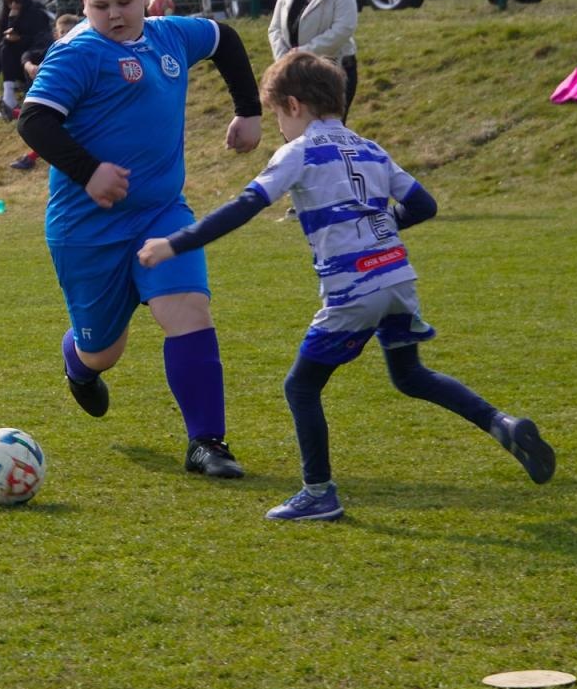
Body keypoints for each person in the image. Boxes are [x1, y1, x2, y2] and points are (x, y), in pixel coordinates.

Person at [138, 51, 555, 520]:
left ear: (293, 105)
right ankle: (503, 424)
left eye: (277, 116)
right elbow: (424, 205)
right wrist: (379, 225)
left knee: (301, 387)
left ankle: (318, 493)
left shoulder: (298, 152)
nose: (280, 128)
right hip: (398, 278)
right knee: (411, 376)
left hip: (355, 289)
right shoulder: (370, 148)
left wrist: (174, 244)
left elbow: (244, 207)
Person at [16, 0, 264, 479]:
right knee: (103, 352)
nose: (114, 15)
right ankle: (79, 365)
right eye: (100, 6)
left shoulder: (170, 35)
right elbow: (33, 121)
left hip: (161, 213)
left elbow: (224, 38)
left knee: (189, 310)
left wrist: (249, 111)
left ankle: (207, 443)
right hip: (87, 227)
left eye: (124, 3)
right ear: (84, 3)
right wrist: (90, 171)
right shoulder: (75, 54)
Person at [266, 0, 359, 115]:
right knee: (297, 126)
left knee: (328, 125)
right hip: (294, 71)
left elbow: (344, 29)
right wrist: (284, 59)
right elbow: (275, 28)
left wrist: (305, 52)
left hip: (332, 71)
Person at [11, 13, 81, 171]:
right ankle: (29, 158)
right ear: (56, 35)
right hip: (57, 100)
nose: (67, 35)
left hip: (74, 101)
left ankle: (15, 114)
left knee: (58, 129)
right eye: (63, 32)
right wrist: (29, 66)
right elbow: (28, 55)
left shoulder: (83, 53)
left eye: (71, 31)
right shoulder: (53, 52)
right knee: (50, 128)